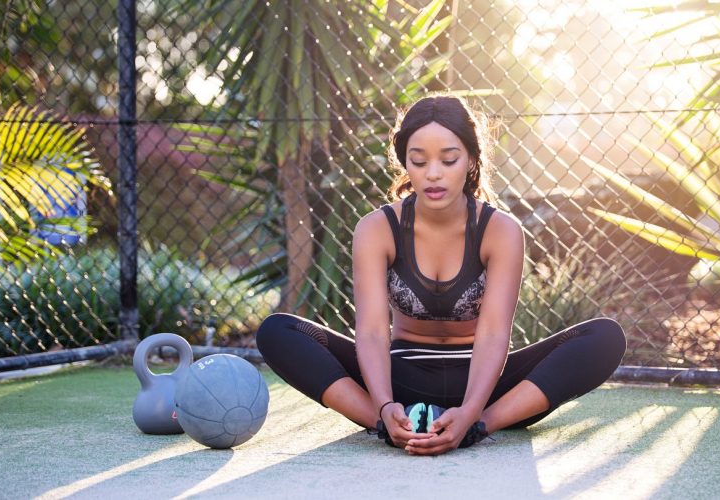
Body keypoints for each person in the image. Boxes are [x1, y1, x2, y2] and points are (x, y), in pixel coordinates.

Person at [256, 94, 626, 456]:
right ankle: (389, 427)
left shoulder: (501, 230)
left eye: (448, 160)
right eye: (418, 161)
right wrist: (384, 406)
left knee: (604, 338)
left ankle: (481, 426)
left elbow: (495, 333)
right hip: (400, 379)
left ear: (470, 159)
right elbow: (370, 331)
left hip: (484, 385)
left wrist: (471, 414)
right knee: (278, 331)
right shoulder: (377, 228)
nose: (433, 173)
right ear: (405, 163)